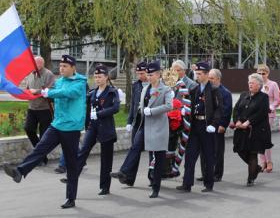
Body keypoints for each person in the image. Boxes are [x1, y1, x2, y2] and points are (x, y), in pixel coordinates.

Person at [4, 55, 86, 209]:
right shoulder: (60, 81)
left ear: (73, 68)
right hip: (57, 124)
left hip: (71, 128)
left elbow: (69, 93)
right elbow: (56, 93)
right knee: (40, 148)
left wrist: (46, 92)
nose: (61, 69)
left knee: (71, 164)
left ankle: (71, 198)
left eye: (65, 66)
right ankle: (20, 172)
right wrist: (40, 92)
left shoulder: (80, 82)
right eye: (60, 66)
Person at [111, 61, 173, 198]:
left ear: (158, 74)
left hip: (158, 128)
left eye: (151, 74)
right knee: (135, 147)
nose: (149, 77)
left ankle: (156, 187)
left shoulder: (166, 89)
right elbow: (138, 105)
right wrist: (133, 119)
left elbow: (169, 106)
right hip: (144, 125)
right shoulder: (145, 89)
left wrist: (152, 110)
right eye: (148, 74)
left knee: (158, 157)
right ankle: (124, 171)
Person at [64, 65, 119, 196]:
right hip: (93, 127)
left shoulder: (112, 91)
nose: (97, 79)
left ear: (106, 77)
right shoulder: (93, 93)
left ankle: (105, 187)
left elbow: (115, 108)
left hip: (106, 127)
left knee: (106, 158)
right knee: (82, 151)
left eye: (100, 77)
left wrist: (100, 113)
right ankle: (71, 177)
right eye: (96, 77)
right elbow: (84, 106)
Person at [177, 62, 222, 193]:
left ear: (207, 74)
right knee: (190, 155)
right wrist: (184, 111)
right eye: (196, 73)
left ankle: (209, 184)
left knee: (208, 156)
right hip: (195, 125)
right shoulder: (195, 89)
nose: (197, 76)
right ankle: (187, 183)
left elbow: (219, 109)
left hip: (207, 126)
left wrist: (214, 124)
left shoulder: (214, 90)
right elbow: (188, 103)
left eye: (200, 74)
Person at [232, 73, 273, 186]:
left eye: (253, 83)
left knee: (252, 154)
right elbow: (236, 109)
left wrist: (248, 122)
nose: (250, 84)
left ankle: (251, 178)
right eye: (249, 82)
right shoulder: (244, 95)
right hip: (241, 129)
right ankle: (257, 167)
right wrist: (238, 121)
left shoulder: (263, 97)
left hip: (256, 130)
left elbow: (261, 113)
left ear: (259, 85)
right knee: (240, 150)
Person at [22, 56, 55, 166]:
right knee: (28, 128)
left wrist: (36, 91)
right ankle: (40, 155)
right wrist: (25, 93)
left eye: (36, 64)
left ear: (41, 64)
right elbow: (27, 88)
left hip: (44, 109)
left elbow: (51, 90)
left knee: (43, 136)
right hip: (32, 108)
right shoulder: (30, 74)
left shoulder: (48, 74)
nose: (34, 66)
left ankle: (41, 158)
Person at [208, 69, 232, 181]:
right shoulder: (207, 90)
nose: (209, 80)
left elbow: (226, 111)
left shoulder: (225, 93)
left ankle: (217, 174)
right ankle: (207, 172)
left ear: (218, 79)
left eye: (212, 78)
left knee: (217, 151)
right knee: (207, 151)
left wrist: (223, 125)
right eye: (209, 78)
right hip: (208, 125)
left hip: (218, 126)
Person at [256, 64, 280, 173]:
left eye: (263, 73)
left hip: (268, 114)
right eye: (259, 73)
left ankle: (269, 161)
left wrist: (271, 106)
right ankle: (262, 161)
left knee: (265, 137)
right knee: (258, 137)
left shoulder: (273, 84)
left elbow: (277, 100)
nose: (261, 75)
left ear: (267, 73)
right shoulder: (256, 84)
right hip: (257, 114)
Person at [126, 61, 148, 143]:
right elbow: (133, 104)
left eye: (142, 73)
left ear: (147, 71)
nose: (139, 76)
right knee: (134, 146)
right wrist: (129, 122)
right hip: (137, 119)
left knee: (150, 148)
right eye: (138, 73)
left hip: (149, 119)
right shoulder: (136, 85)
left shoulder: (153, 85)